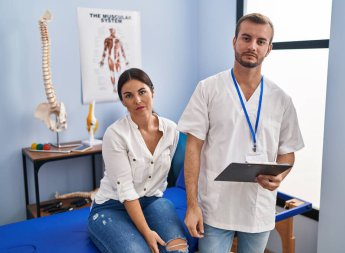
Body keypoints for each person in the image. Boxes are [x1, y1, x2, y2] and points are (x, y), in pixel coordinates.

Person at [177, 13, 304, 253]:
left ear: (269, 49)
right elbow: (192, 147)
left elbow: (288, 153)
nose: (252, 46)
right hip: (215, 206)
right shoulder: (208, 89)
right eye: (246, 38)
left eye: (260, 41)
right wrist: (192, 205)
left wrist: (280, 177)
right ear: (234, 41)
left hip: (258, 207)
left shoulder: (281, 99)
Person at [88, 68, 188, 253]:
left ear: (152, 91)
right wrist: (146, 232)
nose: (137, 100)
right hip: (112, 206)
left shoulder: (171, 130)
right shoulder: (115, 134)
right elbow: (125, 190)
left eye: (142, 92)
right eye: (129, 95)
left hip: (152, 202)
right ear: (123, 101)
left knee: (178, 249)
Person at [99, 28, 129, 92]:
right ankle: (114, 87)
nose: (113, 32)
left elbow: (122, 51)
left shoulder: (118, 40)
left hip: (117, 58)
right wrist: (102, 60)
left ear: (115, 31)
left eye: (113, 31)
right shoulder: (107, 40)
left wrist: (126, 60)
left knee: (119, 73)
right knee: (112, 73)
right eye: (111, 30)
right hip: (110, 58)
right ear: (110, 31)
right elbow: (104, 50)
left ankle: (119, 87)